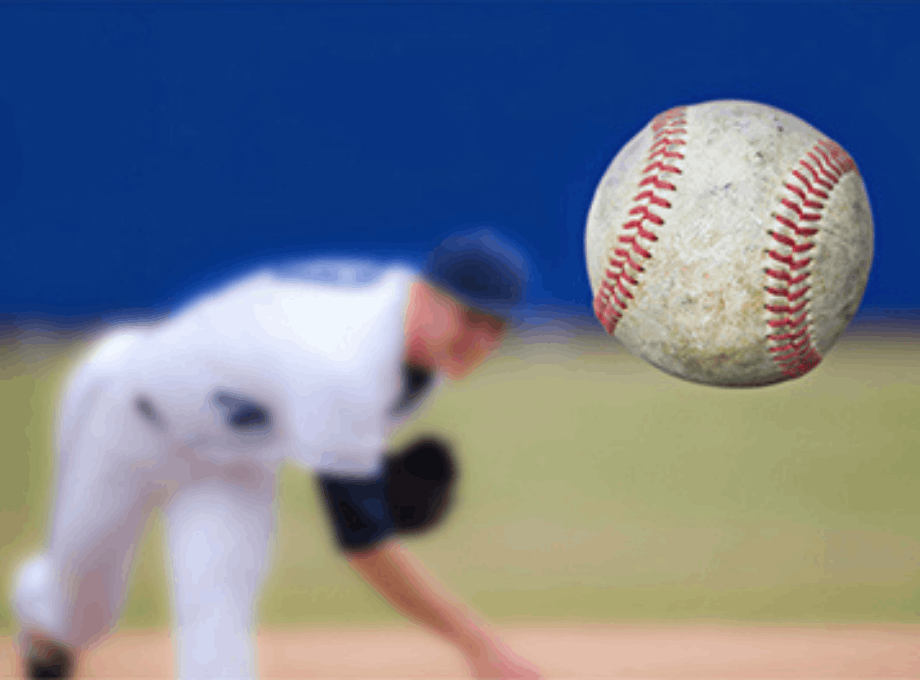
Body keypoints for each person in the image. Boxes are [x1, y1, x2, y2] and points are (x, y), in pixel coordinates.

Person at [9, 228, 543, 680]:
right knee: (81, 618)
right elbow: (362, 539)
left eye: (495, 325)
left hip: (235, 461)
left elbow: (340, 448)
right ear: (426, 295)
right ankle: (41, 600)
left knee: (218, 640)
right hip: (131, 412)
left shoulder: (420, 350)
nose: (480, 338)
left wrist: (374, 483)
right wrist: (477, 643)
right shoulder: (347, 359)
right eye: (469, 317)